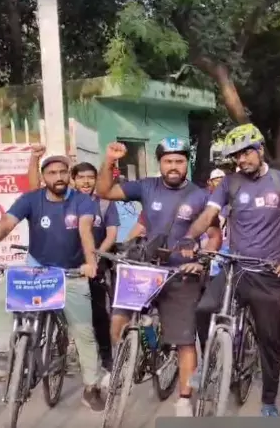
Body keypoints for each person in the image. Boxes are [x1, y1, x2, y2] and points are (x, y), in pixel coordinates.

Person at [95, 137, 222, 417]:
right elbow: (103, 190)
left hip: (181, 275)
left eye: (179, 161)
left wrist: (202, 261)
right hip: (146, 270)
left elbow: (215, 236)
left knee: (185, 340)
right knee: (118, 318)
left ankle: (184, 399)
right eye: (168, 161)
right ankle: (118, 366)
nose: (173, 166)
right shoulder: (146, 186)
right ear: (160, 163)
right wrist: (110, 160)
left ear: (186, 163)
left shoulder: (200, 196)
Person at [0, 155, 105, 411]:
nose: (59, 177)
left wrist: (90, 262)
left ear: (69, 175)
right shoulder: (31, 199)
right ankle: (15, 352)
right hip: (36, 268)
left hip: (71, 272)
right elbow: (4, 227)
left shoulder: (83, 201)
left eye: (63, 172)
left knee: (83, 331)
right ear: (44, 177)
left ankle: (91, 386)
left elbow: (85, 231)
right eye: (52, 173)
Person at [185, 123, 280, 417]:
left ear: (259, 149)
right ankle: (208, 365)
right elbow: (209, 215)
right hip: (235, 266)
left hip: (268, 270)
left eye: (245, 154)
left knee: (270, 339)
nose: (241, 160)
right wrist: (189, 237)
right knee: (204, 309)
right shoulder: (230, 183)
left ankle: (268, 399)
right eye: (236, 156)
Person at [26, 149, 120, 371]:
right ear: (73, 179)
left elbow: (112, 234)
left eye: (91, 177)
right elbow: (32, 190)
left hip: (93, 267)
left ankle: (106, 358)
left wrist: (94, 257)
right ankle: (57, 355)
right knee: (55, 312)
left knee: (97, 314)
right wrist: (34, 158)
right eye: (81, 177)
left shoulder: (105, 203)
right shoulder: (62, 200)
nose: (86, 181)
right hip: (65, 267)